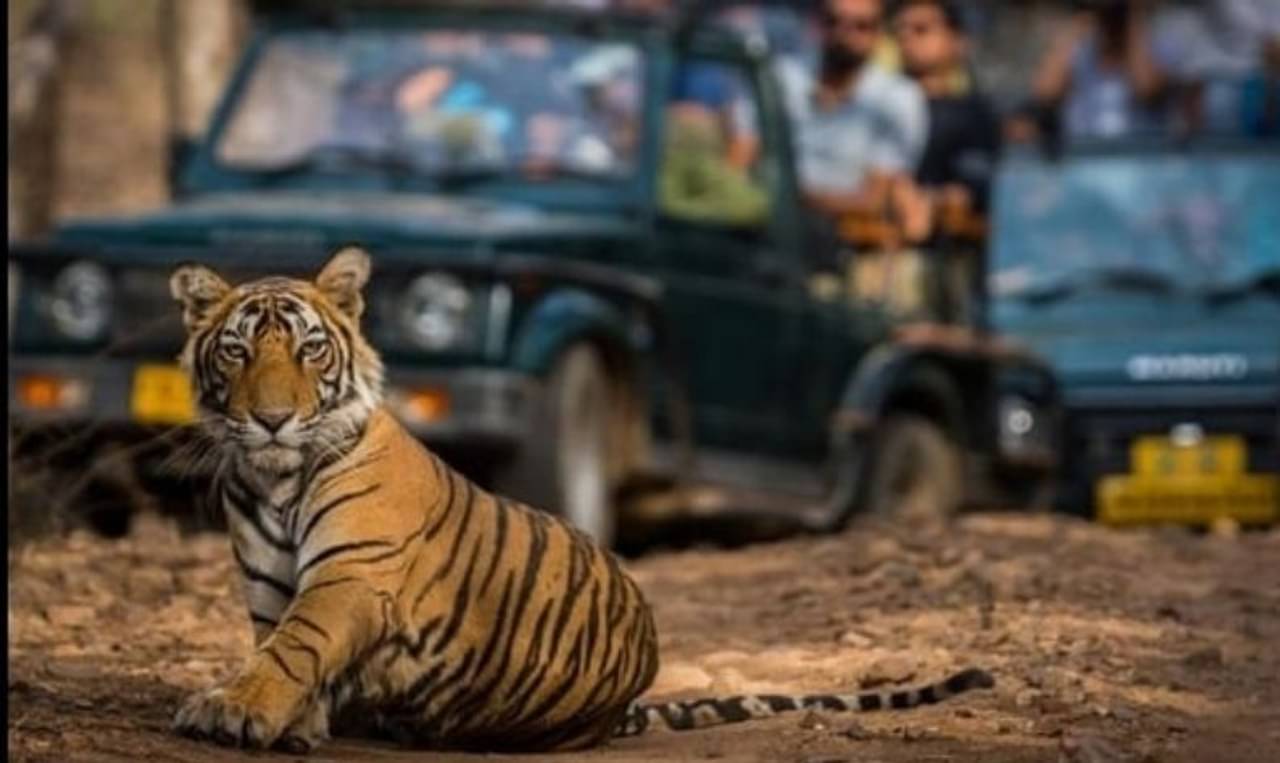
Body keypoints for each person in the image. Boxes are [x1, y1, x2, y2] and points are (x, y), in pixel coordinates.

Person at [780, 0, 931, 242]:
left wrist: (789, 197)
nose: (844, 33)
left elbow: (873, 198)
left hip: (841, 239)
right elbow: (743, 155)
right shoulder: (781, 76)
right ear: (817, 23)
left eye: (861, 26)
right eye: (833, 21)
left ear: (880, 34)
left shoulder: (897, 99)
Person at [892, 0, 1001, 220]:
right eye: (900, 31)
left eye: (921, 29)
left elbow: (973, 189)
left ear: (956, 41)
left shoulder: (974, 114)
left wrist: (929, 200)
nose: (907, 38)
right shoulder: (877, 104)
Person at [1031, 0, 1173, 143]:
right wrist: (1080, 22)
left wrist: (1132, 16)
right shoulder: (1079, 48)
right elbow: (1045, 94)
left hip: (1139, 151)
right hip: (1083, 150)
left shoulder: (1154, 44)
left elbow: (1148, 89)